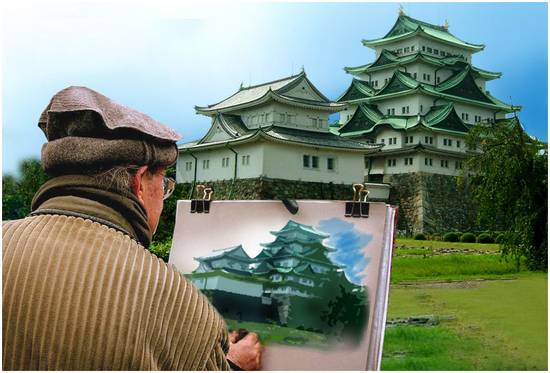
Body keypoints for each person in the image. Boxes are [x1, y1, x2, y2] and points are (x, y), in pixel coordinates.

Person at [2, 86, 263, 370]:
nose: (163, 201)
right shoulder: (176, 302)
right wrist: (234, 366)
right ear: (139, 182)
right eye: (163, 185)